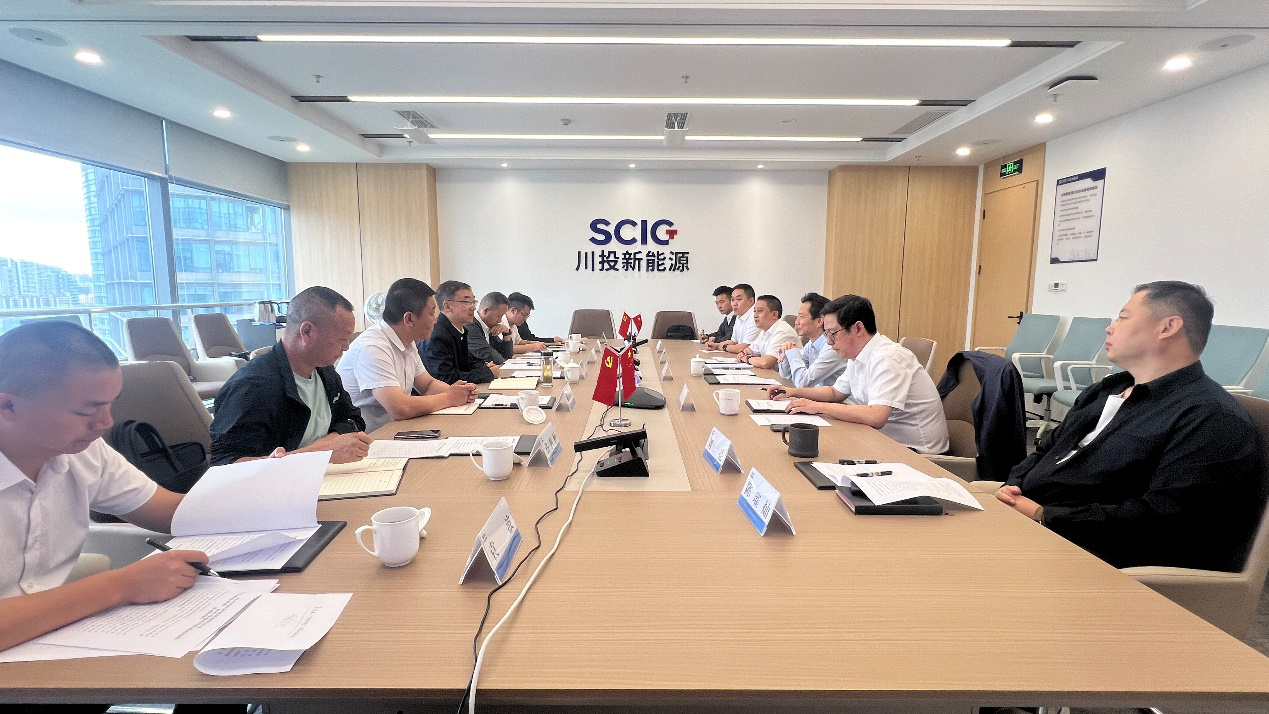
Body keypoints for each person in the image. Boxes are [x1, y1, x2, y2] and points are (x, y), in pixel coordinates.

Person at [996, 281, 1265, 571]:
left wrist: (1044, 515)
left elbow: (1166, 517)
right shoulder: (1106, 390)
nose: (1109, 328)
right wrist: (1014, 486)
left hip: (1098, 559)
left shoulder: (1210, 418)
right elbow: (1047, 450)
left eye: (1123, 318)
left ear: (1168, 327)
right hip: (1033, 527)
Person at [0, 321, 209, 654]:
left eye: (109, 403)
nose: (106, 423)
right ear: (8, 406)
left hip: (48, 643)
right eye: (86, 410)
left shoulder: (83, 451)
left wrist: (268, 492)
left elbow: (169, 511)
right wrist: (123, 585)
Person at [211, 286, 371, 465]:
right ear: (307, 331)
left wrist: (328, 447)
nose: (347, 347)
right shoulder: (253, 387)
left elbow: (353, 419)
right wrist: (322, 452)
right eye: (342, 338)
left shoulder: (325, 372)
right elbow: (224, 464)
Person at [772, 294, 949, 454]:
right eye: (826, 334)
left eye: (832, 334)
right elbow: (835, 392)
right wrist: (793, 392)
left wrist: (818, 406)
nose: (829, 342)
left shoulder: (888, 357)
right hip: (882, 438)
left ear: (857, 328)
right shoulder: (857, 355)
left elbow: (876, 416)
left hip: (917, 452)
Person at [337, 278, 478, 433]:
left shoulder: (407, 341)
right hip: (370, 437)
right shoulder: (372, 347)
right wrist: (449, 398)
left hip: (396, 429)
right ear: (409, 319)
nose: (435, 320)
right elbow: (400, 408)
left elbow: (428, 385)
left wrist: (460, 392)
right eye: (431, 313)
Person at [422, 281, 497, 384]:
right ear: (447, 306)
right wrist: (486, 373)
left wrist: (484, 366)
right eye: (466, 302)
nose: (473, 307)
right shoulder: (437, 335)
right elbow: (445, 378)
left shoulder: (459, 330)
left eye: (473, 302)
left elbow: (468, 362)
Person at [777, 292, 847, 387]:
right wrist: (787, 352)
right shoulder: (812, 344)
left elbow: (803, 383)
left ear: (819, 321)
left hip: (834, 397)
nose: (796, 322)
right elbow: (787, 377)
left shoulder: (832, 347)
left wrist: (793, 353)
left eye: (801, 317)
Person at [738, 294, 799, 370]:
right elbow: (749, 350)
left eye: (760, 311)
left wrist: (747, 359)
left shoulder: (783, 332)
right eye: (754, 311)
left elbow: (766, 363)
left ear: (774, 314)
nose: (755, 315)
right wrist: (743, 354)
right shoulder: (765, 330)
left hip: (783, 377)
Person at [707, 283, 757, 354]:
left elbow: (743, 347)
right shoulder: (739, 316)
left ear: (751, 301)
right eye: (732, 300)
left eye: (738, 299)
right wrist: (716, 345)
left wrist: (722, 347)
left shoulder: (755, 317)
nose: (734, 304)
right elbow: (733, 341)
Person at [468, 292, 515, 365]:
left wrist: (506, 333)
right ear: (486, 311)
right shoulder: (470, 325)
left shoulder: (489, 326)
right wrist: (505, 363)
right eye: (498, 316)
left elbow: (507, 355)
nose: (500, 321)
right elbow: (489, 356)